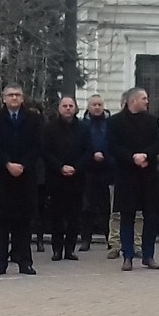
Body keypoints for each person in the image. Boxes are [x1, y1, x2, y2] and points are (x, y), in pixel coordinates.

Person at [0, 85, 42, 275]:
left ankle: (25, 261)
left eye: (17, 95)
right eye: (10, 95)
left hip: (25, 177)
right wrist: (7, 163)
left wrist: (23, 164)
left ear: (23, 99)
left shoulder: (34, 119)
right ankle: (0, 262)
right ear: (3, 98)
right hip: (1, 177)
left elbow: (38, 145)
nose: (14, 98)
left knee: (24, 223)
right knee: (1, 223)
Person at [112, 88, 159, 271]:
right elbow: (112, 146)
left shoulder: (152, 121)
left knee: (151, 216)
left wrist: (146, 156)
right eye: (143, 98)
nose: (147, 101)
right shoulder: (115, 121)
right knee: (127, 216)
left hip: (148, 175)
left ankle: (148, 255)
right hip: (127, 175)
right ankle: (127, 256)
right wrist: (132, 157)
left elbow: (158, 143)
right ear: (133, 101)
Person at [43, 95, 92, 261]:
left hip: (77, 179)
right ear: (59, 108)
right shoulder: (49, 128)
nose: (68, 108)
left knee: (74, 217)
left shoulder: (84, 128)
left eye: (71, 105)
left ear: (76, 108)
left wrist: (76, 168)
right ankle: (57, 249)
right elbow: (45, 151)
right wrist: (60, 167)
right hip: (56, 178)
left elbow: (88, 151)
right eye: (65, 105)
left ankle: (70, 249)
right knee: (57, 216)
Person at [81, 94, 116, 257]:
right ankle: (85, 239)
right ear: (88, 107)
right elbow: (80, 147)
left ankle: (109, 239)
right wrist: (91, 156)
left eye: (99, 105)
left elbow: (114, 145)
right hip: (88, 170)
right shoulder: (82, 125)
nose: (97, 107)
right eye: (94, 105)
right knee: (87, 207)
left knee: (106, 208)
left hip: (106, 169)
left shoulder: (110, 124)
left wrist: (105, 156)